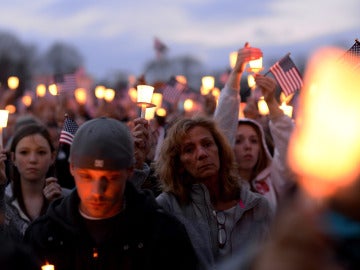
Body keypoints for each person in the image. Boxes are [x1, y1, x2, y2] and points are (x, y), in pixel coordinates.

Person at [24, 117, 198, 270]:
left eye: (111, 177)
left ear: (130, 171)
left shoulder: (163, 234)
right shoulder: (44, 236)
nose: (97, 191)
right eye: (87, 177)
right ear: (72, 168)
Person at [155, 116, 272, 269]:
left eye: (207, 144)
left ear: (220, 150)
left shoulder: (257, 207)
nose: (202, 154)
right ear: (179, 163)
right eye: (189, 150)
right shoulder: (167, 207)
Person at [214, 42, 295, 211]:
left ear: (262, 147)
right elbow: (222, 125)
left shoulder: (274, 179)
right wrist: (236, 74)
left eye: (253, 141)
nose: (248, 147)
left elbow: (291, 148)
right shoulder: (220, 182)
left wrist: (271, 103)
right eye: (238, 141)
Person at [0, 123, 71, 241]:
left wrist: (57, 209)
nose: (32, 160)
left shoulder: (67, 200)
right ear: (13, 158)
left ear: (53, 157)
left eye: (41, 152)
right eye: (24, 152)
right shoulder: (3, 199)